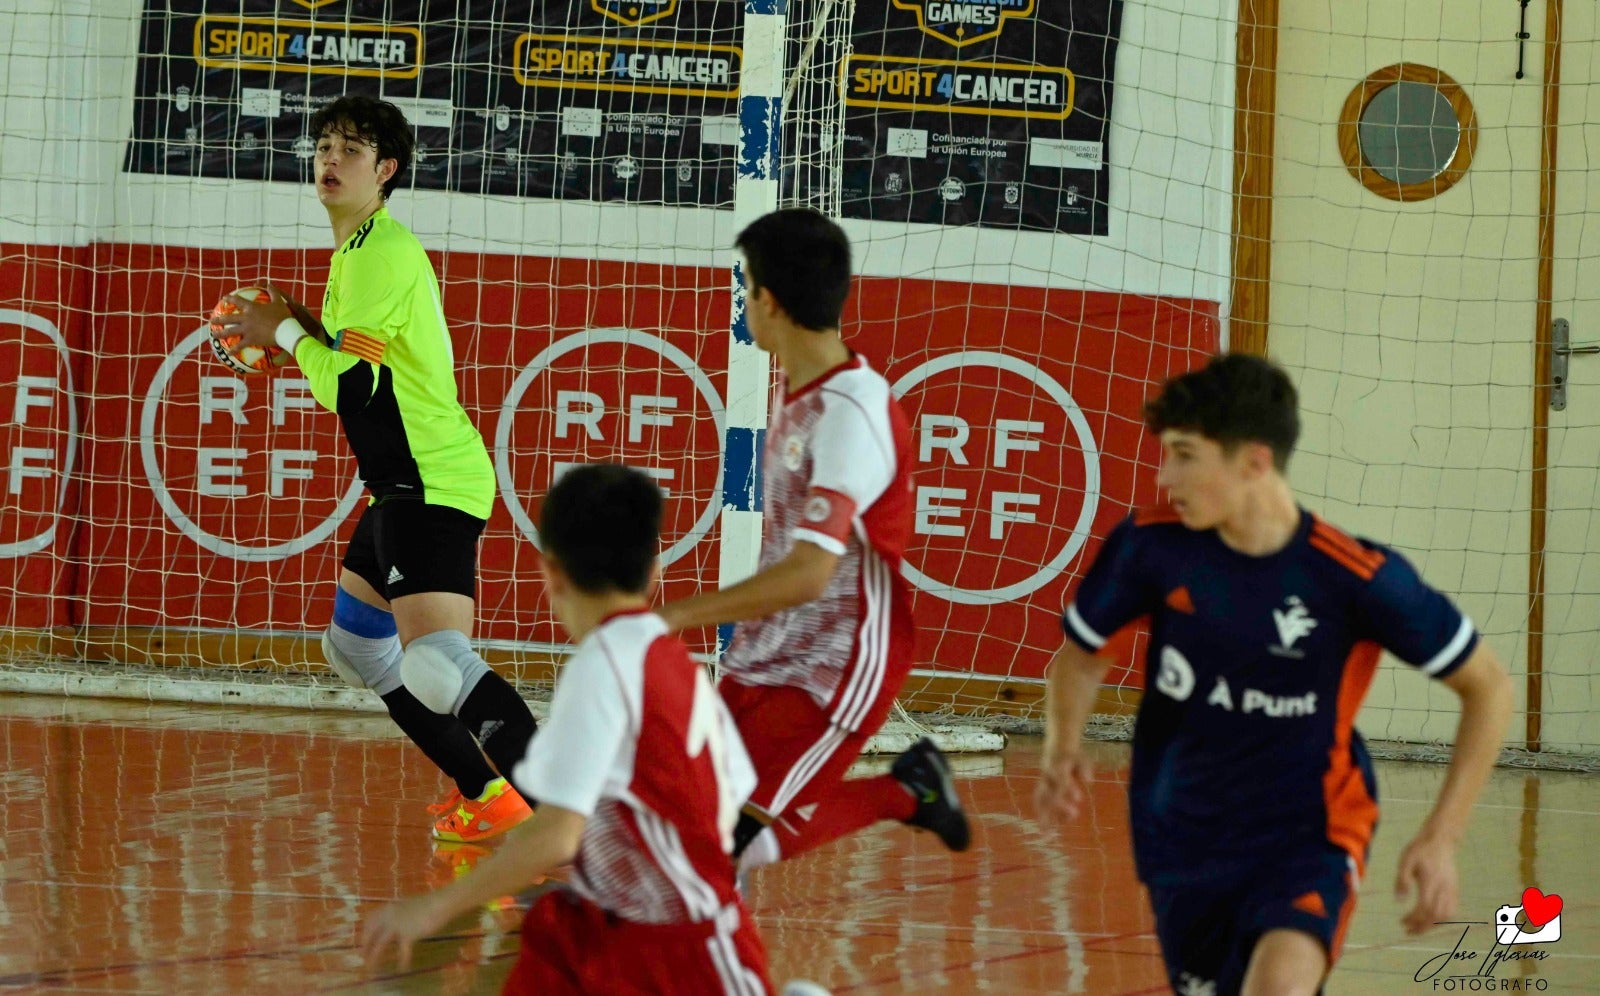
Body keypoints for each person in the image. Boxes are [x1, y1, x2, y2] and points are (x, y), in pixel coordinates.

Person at [1034, 353, 1514, 995]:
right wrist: (1062, 747)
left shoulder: (1354, 577)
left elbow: (1489, 688)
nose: (1163, 474)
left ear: (1253, 461)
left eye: (1184, 454)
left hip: (1308, 834)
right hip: (1180, 837)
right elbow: (1083, 654)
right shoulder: (1150, 547)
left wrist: (1440, 838)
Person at [212, 95, 538, 842]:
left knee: (437, 666)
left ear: (385, 170)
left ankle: (571, 815)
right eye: (324, 144)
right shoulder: (357, 254)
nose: (331, 159)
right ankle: (488, 794)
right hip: (400, 483)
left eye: (351, 149)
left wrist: (286, 332)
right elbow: (367, 373)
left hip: (431, 478)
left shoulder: (382, 253)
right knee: (356, 645)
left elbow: (354, 390)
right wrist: (306, 327)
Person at [361, 464, 773, 994]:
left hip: (668, 953)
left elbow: (557, 834)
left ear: (551, 571)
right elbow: (738, 817)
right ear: (654, 572)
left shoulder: (602, 664)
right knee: (548, 930)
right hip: (707, 936)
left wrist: (435, 908)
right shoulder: (676, 663)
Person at [657, 208, 969, 873]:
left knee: (721, 850)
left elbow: (809, 575)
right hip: (764, 652)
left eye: (745, 284)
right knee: (688, 822)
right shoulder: (799, 390)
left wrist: (675, 616)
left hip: (834, 666)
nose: (742, 300)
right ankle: (908, 790)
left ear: (767, 300)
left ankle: (901, 793)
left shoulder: (851, 413)